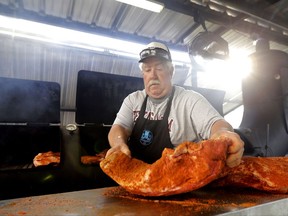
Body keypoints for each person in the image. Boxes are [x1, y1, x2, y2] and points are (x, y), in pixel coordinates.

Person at [106, 41, 244, 167]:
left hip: (179, 181)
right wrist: (118, 144)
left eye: (159, 68)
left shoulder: (189, 100)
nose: (153, 75)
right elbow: (120, 127)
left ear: (171, 71)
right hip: (138, 179)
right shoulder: (133, 100)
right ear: (143, 74)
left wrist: (222, 134)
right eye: (147, 70)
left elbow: (216, 124)